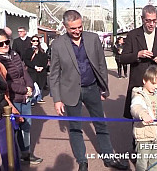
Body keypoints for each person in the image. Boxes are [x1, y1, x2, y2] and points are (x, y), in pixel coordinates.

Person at [49, 10, 127, 171]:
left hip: (92, 88)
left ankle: (108, 157)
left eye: (79, 27)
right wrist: (57, 99)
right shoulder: (57, 45)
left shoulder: (92, 39)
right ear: (65, 27)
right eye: (73, 29)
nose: (77, 31)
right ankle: (82, 161)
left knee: (101, 124)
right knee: (75, 127)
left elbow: (101, 65)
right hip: (70, 91)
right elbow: (54, 74)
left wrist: (103, 88)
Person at [120, 5, 157, 119]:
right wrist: (137, 55)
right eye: (148, 20)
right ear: (142, 19)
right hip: (139, 85)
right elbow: (123, 58)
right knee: (138, 120)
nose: (151, 24)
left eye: (154, 21)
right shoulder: (132, 35)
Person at [0, 29, 43, 165]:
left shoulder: (14, 54)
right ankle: (16, 158)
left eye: (7, 42)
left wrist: (30, 87)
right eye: (1, 44)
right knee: (13, 130)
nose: (5, 45)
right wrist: (23, 90)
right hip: (12, 99)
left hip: (25, 97)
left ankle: (26, 153)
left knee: (27, 126)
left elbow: (24, 72)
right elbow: (6, 84)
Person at [130, 65, 157, 171]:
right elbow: (135, 107)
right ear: (145, 80)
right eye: (153, 83)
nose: (156, 86)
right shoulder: (139, 95)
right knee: (142, 163)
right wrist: (142, 114)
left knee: (154, 161)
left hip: (155, 135)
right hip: (143, 136)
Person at [23, 35, 48, 105]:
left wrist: (42, 67)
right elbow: (26, 60)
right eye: (34, 41)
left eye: (37, 41)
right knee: (33, 84)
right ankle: (33, 99)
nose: (35, 42)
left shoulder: (41, 50)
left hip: (41, 71)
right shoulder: (28, 50)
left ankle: (39, 98)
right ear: (31, 42)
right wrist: (35, 67)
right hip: (32, 70)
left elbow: (45, 59)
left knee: (40, 84)